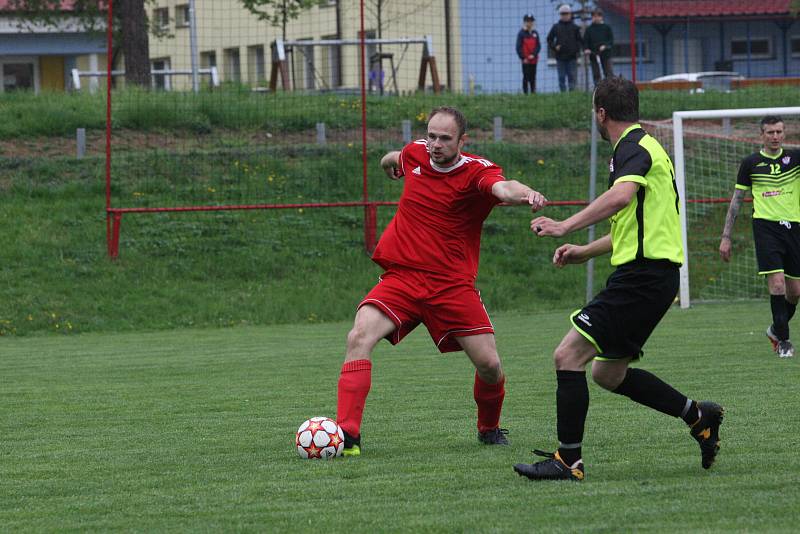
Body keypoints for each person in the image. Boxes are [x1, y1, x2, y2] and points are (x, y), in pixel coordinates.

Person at [513, 77, 724, 481]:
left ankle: (567, 461)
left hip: (644, 277)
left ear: (601, 113)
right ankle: (699, 416)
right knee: (607, 373)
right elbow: (631, 227)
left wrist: (565, 227)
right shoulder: (645, 149)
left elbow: (621, 197)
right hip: (649, 275)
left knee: (567, 356)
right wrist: (583, 252)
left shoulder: (632, 148)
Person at [336, 106, 548, 456]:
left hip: (451, 286)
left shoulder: (476, 173)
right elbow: (395, 156)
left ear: (462, 141)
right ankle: (348, 436)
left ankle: (489, 428)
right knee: (358, 336)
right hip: (402, 279)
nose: (435, 144)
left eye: (444, 138)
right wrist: (388, 164)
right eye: (431, 135)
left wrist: (528, 194)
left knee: (490, 366)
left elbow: (504, 188)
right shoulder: (418, 153)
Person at [719, 116, 800, 358]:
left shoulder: (795, 158)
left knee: (795, 291)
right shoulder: (750, 163)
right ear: (761, 135)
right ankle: (784, 342)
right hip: (766, 228)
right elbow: (736, 201)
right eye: (770, 132)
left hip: (794, 228)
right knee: (776, 283)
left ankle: (775, 329)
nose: (775, 136)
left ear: (784, 134)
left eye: (779, 132)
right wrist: (726, 236)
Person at [547, 4, 583, 92]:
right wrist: (555, 47)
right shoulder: (556, 27)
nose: (565, 15)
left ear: (570, 14)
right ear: (560, 15)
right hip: (560, 57)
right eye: (563, 14)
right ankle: (562, 94)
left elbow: (580, 41)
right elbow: (549, 39)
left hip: (572, 57)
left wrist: (576, 49)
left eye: (566, 13)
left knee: (572, 77)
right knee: (561, 77)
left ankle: (572, 94)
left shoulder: (575, 27)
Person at [583, 8, 614, 85]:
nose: (596, 18)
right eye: (594, 16)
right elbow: (585, 42)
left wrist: (605, 46)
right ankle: (598, 90)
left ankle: (610, 89)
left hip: (606, 55)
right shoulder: (589, 29)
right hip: (593, 55)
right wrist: (586, 49)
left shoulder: (607, 28)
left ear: (601, 17)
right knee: (596, 75)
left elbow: (611, 40)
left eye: (598, 16)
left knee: (608, 73)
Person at [516, 13, 541, 94]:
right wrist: (523, 58)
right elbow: (518, 47)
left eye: (531, 21)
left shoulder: (535, 33)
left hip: (534, 60)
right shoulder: (521, 34)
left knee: (533, 77)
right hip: (526, 60)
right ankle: (526, 93)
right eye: (528, 21)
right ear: (524, 22)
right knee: (526, 77)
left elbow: (538, 46)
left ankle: (533, 93)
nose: (530, 23)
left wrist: (533, 54)